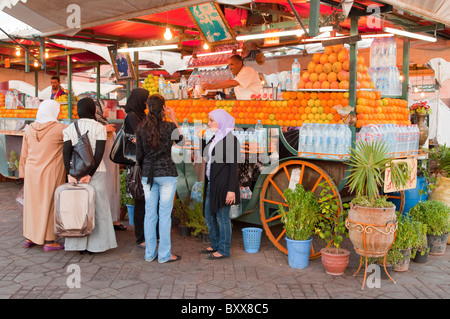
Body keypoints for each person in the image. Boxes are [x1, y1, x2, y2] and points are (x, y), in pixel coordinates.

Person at [62, 97, 117, 254]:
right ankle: (97, 245)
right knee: (98, 207)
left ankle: (78, 245)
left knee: (78, 208)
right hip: (97, 172)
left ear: (78, 111)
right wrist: (90, 174)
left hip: (76, 173)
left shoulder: (69, 129)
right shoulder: (99, 127)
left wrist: (70, 174)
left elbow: (66, 153)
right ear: (94, 110)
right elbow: (99, 153)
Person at [136, 94, 183, 263]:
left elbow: (139, 155)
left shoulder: (142, 127)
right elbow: (182, 142)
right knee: (164, 215)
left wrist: (147, 165)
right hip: (167, 174)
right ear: (163, 108)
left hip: (148, 174)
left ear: (148, 107)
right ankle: (164, 255)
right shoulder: (169, 127)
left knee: (150, 214)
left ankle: (149, 254)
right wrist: (174, 117)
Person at [19, 100, 66, 251]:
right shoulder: (60, 129)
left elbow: (23, 154)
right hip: (50, 172)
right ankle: (49, 241)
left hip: (31, 172)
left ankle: (30, 237)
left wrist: (22, 173)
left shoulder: (29, 129)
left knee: (32, 205)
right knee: (49, 204)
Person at [200, 109, 240, 260]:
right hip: (212, 183)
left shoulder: (231, 140)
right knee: (209, 216)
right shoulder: (215, 138)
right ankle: (215, 243)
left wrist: (231, 190)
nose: (208, 123)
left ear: (221, 122)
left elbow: (233, 167)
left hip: (223, 186)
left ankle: (224, 249)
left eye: (211, 120)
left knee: (222, 218)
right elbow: (204, 155)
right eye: (209, 120)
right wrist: (202, 138)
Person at [94, 99, 125, 231]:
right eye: (105, 108)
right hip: (104, 164)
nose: (107, 111)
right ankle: (107, 220)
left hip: (111, 162)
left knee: (112, 188)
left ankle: (113, 219)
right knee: (106, 189)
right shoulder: (97, 125)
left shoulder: (104, 123)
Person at [124, 88, 149, 248]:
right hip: (136, 163)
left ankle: (147, 234)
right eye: (145, 100)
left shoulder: (142, 115)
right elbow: (142, 136)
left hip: (145, 160)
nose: (147, 103)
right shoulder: (132, 117)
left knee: (147, 200)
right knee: (141, 199)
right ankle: (141, 238)